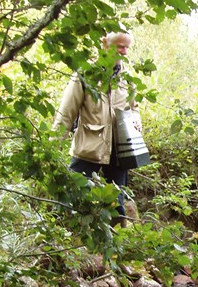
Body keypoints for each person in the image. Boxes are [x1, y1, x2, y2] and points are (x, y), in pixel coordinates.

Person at [53, 31, 137, 225]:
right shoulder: (85, 73)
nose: (124, 52)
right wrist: (53, 145)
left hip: (118, 149)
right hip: (89, 144)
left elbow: (134, 108)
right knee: (74, 193)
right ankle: (68, 239)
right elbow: (67, 112)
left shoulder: (128, 77)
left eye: (127, 47)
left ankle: (116, 245)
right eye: (120, 46)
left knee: (117, 203)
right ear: (105, 45)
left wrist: (135, 120)